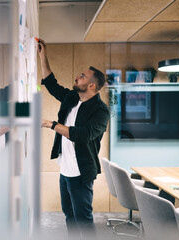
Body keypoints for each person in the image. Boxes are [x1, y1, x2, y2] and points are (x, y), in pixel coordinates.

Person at [38, 39, 110, 239]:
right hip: (65, 170)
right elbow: (52, 85)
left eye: (82, 76)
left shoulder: (101, 111)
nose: (77, 77)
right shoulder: (72, 98)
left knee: (83, 219)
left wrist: (51, 124)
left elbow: (83, 135)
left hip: (81, 172)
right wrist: (42, 55)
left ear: (91, 85)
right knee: (69, 215)